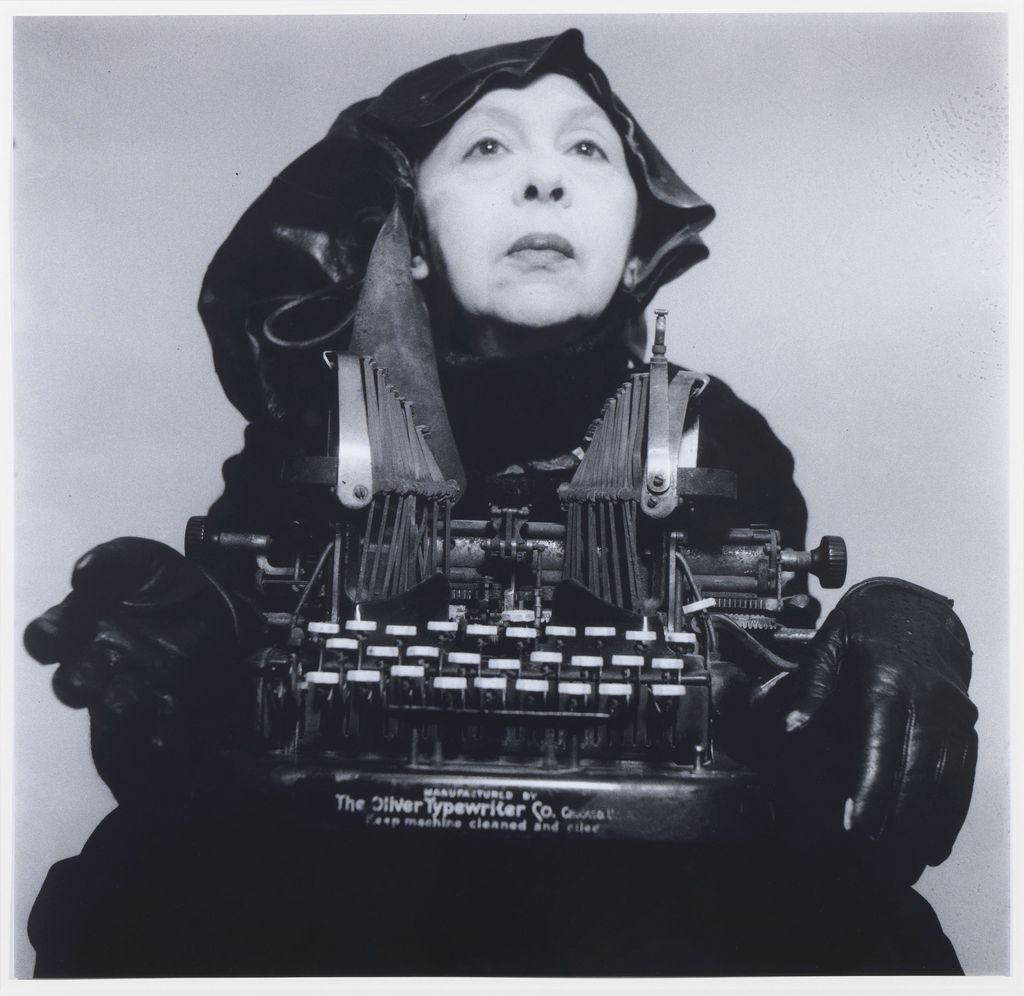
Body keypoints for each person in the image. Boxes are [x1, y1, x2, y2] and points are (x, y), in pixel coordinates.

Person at [23, 29, 977, 977]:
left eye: (587, 150)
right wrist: (208, 644)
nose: (545, 181)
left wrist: (896, 618)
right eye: (488, 148)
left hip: (659, 912)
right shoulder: (319, 433)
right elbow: (207, 717)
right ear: (413, 241)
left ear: (633, 243)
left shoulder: (710, 435)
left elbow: (773, 688)